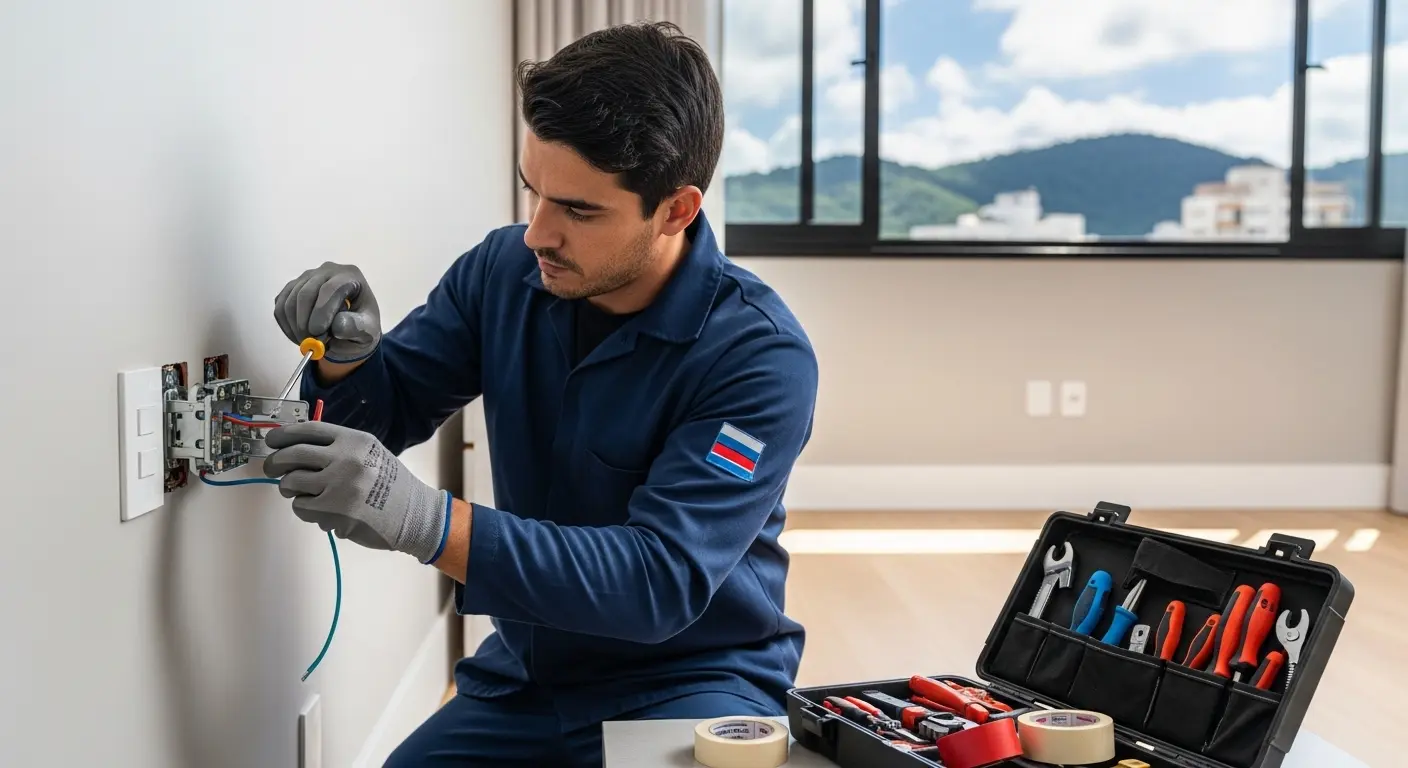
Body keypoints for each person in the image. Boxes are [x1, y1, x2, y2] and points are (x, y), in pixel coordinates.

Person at [264, 20, 819, 767]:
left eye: (579, 210)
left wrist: (426, 521)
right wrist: (349, 361)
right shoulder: (501, 272)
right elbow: (383, 417)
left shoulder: (759, 357)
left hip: (692, 680)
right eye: (535, 192)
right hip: (530, 679)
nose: (537, 234)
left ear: (676, 210)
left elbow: (657, 580)